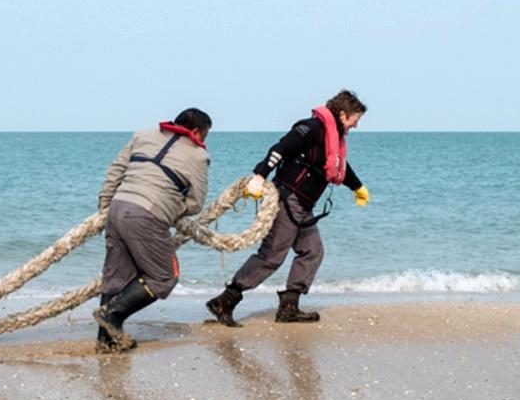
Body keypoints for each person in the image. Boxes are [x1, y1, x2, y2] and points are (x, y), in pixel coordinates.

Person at [204, 90, 370, 326]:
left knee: (312, 250)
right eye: (356, 119)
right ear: (343, 114)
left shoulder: (332, 137)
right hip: (288, 199)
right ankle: (225, 300)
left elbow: (339, 165)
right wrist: (259, 176)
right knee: (272, 255)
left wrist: (357, 187)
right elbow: (279, 148)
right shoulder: (312, 128)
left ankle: (289, 307)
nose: (356, 126)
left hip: (303, 205)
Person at [93, 108, 213, 350]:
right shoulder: (199, 156)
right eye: (206, 135)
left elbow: (114, 171)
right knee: (164, 277)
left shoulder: (142, 135)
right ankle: (111, 316)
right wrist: (170, 212)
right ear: (199, 132)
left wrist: (106, 205)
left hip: (117, 209)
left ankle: (106, 342)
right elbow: (195, 202)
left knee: (116, 277)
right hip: (148, 215)